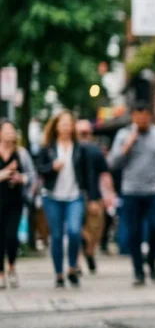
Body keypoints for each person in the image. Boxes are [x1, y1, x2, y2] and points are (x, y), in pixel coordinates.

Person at [109, 103, 155, 286]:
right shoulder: (123, 135)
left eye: (144, 117)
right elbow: (113, 162)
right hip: (131, 191)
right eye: (138, 117)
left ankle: (152, 259)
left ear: (150, 116)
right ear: (133, 117)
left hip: (154, 190)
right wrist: (127, 146)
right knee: (134, 233)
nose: (141, 121)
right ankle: (138, 271)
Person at [37, 111, 98, 288]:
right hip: (52, 197)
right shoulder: (48, 147)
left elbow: (89, 174)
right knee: (56, 236)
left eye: (68, 123)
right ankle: (58, 273)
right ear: (56, 126)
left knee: (74, 231)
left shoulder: (80, 148)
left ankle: (72, 267)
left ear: (72, 127)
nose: (65, 126)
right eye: (62, 123)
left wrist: (93, 198)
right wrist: (52, 167)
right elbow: (39, 169)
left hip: (75, 196)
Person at [75, 120, 114, 274]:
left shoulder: (95, 151)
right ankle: (76, 262)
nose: (84, 136)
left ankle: (89, 253)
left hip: (94, 196)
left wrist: (109, 195)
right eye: (81, 133)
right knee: (76, 230)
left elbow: (105, 174)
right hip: (74, 195)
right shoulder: (71, 151)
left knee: (94, 231)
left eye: (86, 133)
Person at [0, 120, 33, 289]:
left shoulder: (22, 154)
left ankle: (12, 266)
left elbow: (31, 177)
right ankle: (1, 273)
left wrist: (21, 178)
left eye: (12, 131)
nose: (9, 134)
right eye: (6, 131)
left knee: (11, 236)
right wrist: (4, 174)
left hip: (15, 202)